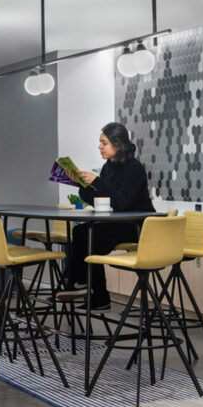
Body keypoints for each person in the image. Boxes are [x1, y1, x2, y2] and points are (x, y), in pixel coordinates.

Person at [61, 122, 155, 310]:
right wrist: (81, 184)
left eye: (104, 143)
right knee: (82, 233)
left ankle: (82, 284)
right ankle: (90, 290)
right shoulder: (108, 166)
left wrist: (97, 182)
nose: (100, 147)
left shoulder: (134, 169)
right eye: (100, 142)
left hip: (137, 226)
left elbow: (120, 203)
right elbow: (98, 198)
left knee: (89, 237)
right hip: (118, 223)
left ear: (117, 144)